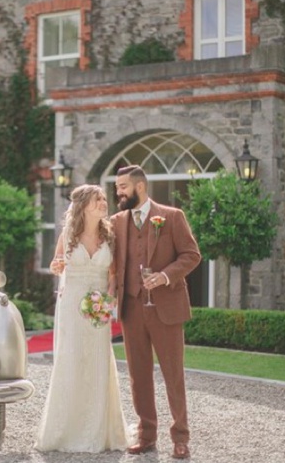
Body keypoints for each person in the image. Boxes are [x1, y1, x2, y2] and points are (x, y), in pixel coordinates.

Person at [111, 165, 201, 460]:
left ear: (139, 187)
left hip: (166, 306)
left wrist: (165, 276)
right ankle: (146, 435)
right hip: (132, 307)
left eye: (122, 187)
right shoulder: (116, 222)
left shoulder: (172, 217)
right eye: (116, 188)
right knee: (138, 375)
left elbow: (191, 255)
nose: (118, 193)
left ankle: (181, 437)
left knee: (173, 374)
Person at [35, 184, 130, 453]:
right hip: (71, 305)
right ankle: (66, 430)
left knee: (98, 361)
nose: (104, 202)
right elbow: (57, 264)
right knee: (72, 359)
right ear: (85, 205)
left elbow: (112, 275)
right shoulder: (68, 234)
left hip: (98, 306)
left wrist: (108, 300)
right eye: (98, 199)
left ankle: (97, 432)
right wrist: (56, 266)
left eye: (103, 198)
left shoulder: (109, 235)